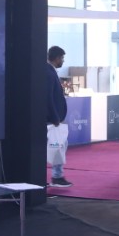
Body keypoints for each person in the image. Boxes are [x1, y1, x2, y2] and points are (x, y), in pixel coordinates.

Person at [46, 46, 72, 187]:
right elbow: (48, 97)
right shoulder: (49, 73)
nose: (63, 61)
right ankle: (57, 176)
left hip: (53, 120)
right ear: (56, 58)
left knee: (58, 146)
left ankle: (57, 176)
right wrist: (55, 118)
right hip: (52, 121)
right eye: (62, 58)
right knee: (57, 147)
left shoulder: (50, 71)